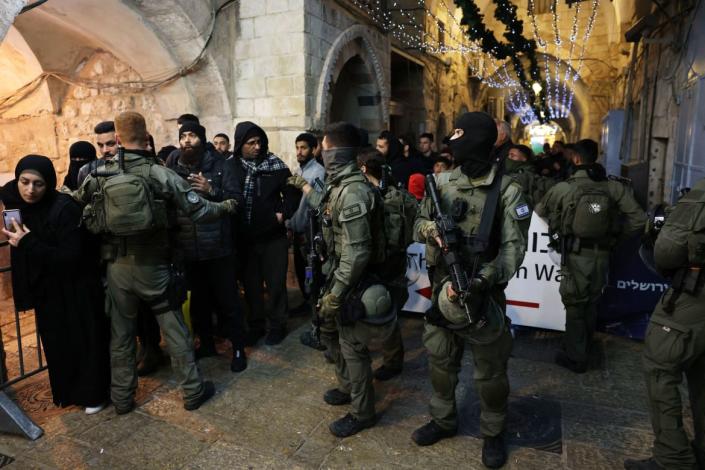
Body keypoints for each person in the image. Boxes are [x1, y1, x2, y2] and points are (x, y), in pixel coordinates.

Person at [74, 111, 238, 413]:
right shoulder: (160, 173)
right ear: (146, 137)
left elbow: (75, 202)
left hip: (117, 268)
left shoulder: (99, 173)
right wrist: (226, 205)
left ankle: (122, 398)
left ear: (119, 140)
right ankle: (192, 391)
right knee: (175, 330)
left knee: (121, 336)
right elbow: (200, 211)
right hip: (154, 267)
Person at [411, 112, 531, 469]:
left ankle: (493, 431)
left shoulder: (508, 191)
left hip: (482, 294)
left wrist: (481, 282)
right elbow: (417, 223)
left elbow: (513, 250)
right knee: (440, 361)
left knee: (490, 373)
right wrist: (430, 228)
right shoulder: (442, 182)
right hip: (442, 290)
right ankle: (443, 419)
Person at [304, 122, 395, 437]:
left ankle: (363, 412)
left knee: (352, 345)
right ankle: (347, 387)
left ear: (335, 153)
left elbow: (357, 253)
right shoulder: (339, 184)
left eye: (324, 147)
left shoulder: (354, 190)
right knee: (329, 332)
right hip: (336, 273)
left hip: (353, 279)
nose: (321, 152)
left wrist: (336, 294)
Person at [1, 155, 110, 414]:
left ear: (48, 183)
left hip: (76, 287)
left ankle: (94, 394)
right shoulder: (17, 204)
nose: (30, 190)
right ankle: (69, 392)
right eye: (24, 182)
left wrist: (28, 242)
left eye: (38, 184)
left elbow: (70, 256)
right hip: (47, 290)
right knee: (57, 342)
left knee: (83, 340)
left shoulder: (64, 208)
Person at [535, 139, 645, 373]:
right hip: (602, 255)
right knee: (592, 303)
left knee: (575, 306)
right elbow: (639, 219)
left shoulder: (564, 188)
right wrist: (615, 239)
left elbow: (539, 211)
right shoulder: (614, 188)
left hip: (575, 256)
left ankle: (576, 357)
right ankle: (584, 347)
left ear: (576, 159)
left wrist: (559, 228)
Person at [624, 177, 705, 470]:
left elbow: (667, 250)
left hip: (693, 299)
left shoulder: (700, 195)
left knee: (661, 369)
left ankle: (673, 458)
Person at [166, 121, 248, 372]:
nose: (187, 140)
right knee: (199, 304)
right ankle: (207, 345)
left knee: (228, 302)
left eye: (192, 135)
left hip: (218, 249)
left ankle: (237, 349)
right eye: (183, 136)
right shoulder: (172, 168)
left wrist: (211, 189)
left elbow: (236, 201)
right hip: (189, 251)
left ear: (202, 139)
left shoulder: (223, 166)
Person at [233, 121, 300, 346]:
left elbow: (292, 193)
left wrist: (282, 214)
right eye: (251, 143)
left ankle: (278, 324)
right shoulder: (232, 167)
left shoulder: (276, 165)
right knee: (251, 286)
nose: (257, 147)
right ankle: (256, 325)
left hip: (273, 238)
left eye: (259, 142)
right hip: (245, 239)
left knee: (275, 284)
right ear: (240, 144)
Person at [357, 148, 413, 381]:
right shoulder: (398, 194)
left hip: (382, 262)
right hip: (395, 259)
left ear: (363, 169)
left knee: (385, 311)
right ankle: (390, 358)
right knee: (385, 310)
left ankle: (392, 361)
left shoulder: (374, 197)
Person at [287, 132, 326, 322]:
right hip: (297, 232)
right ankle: (306, 301)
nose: (299, 152)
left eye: (303, 148)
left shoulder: (318, 172)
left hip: (310, 234)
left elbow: (318, 202)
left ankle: (316, 309)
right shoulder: (299, 170)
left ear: (313, 149)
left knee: (312, 272)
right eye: (297, 147)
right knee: (302, 270)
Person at [76, 121, 118, 187]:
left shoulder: (136, 166)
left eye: (110, 144)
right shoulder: (86, 171)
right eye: (101, 145)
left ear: (121, 142)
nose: (105, 150)